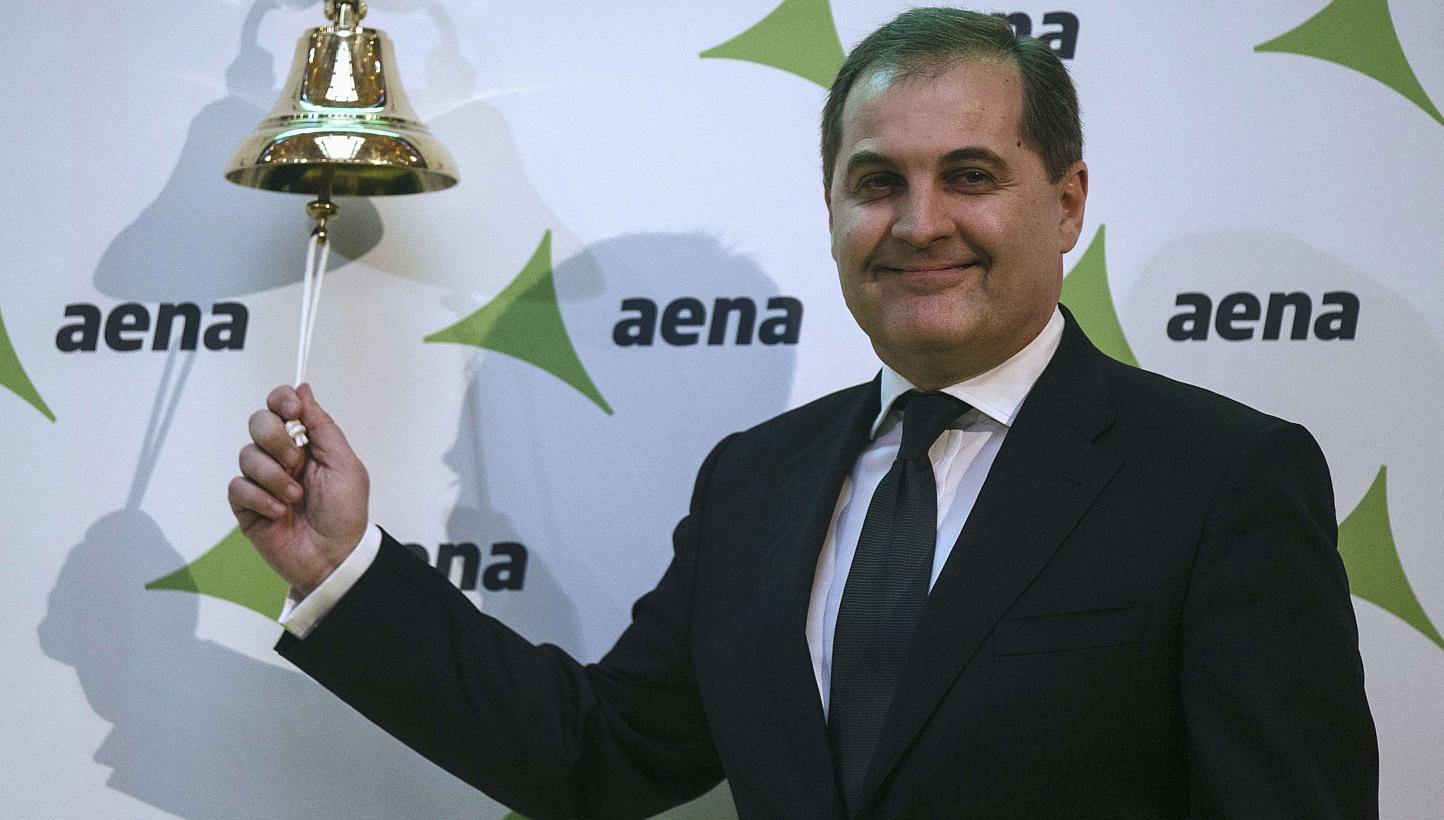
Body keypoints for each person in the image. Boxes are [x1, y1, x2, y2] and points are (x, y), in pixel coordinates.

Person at [229, 8, 1377, 818]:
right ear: (831, 207)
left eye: (970, 175)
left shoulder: (1220, 477)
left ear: (1067, 203)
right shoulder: (756, 481)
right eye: (878, 181)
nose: (919, 221)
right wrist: (345, 571)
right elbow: (600, 756)